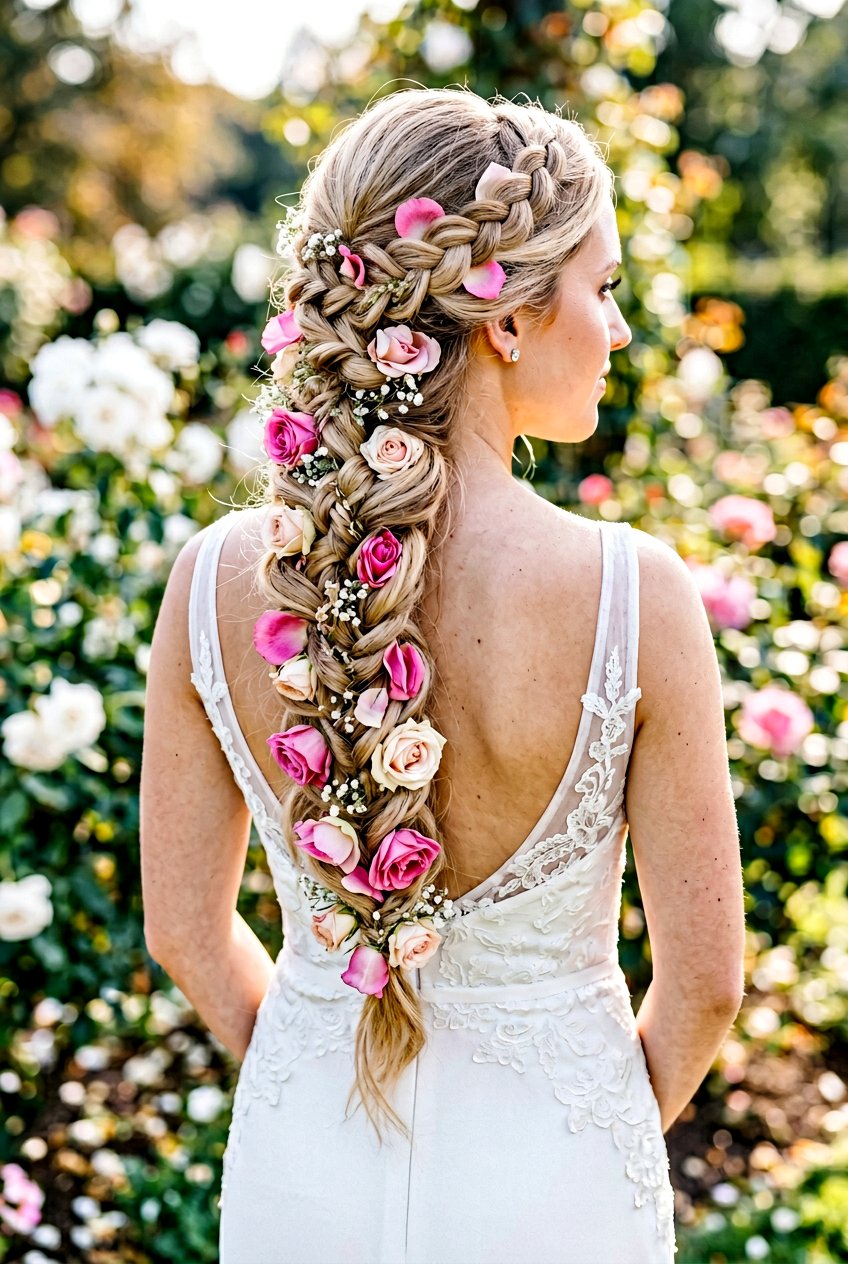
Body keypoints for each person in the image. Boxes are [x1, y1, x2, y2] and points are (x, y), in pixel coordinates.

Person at [140, 86, 745, 1263]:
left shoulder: (212, 583)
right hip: (557, 1179)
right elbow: (705, 986)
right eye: (604, 288)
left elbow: (184, 933)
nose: (619, 329)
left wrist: (310, 1052)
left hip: (303, 1169)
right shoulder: (633, 596)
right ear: (505, 318)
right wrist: (587, 1123)